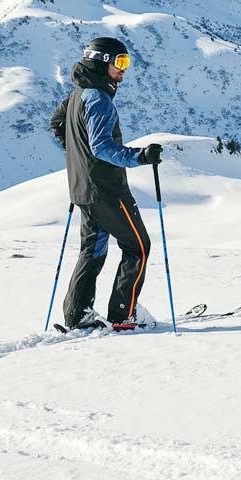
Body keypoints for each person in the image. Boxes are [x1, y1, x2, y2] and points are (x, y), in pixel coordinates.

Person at [49, 35, 163, 330]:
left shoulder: (78, 94)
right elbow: (102, 148)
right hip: (107, 189)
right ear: (102, 63)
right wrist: (141, 157)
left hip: (83, 188)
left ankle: (78, 315)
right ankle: (123, 315)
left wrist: (77, 154)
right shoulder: (98, 99)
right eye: (119, 63)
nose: (124, 70)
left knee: (94, 250)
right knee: (138, 246)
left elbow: (57, 123)